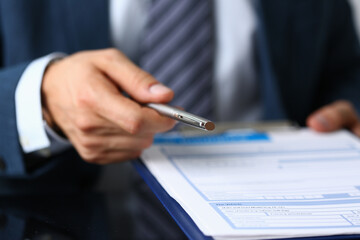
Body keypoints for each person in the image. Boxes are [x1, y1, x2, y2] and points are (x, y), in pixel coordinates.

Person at [0, 0, 360, 193]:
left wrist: (350, 107)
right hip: (59, 214)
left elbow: (344, 71)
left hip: (272, 207)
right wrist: (40, 101)